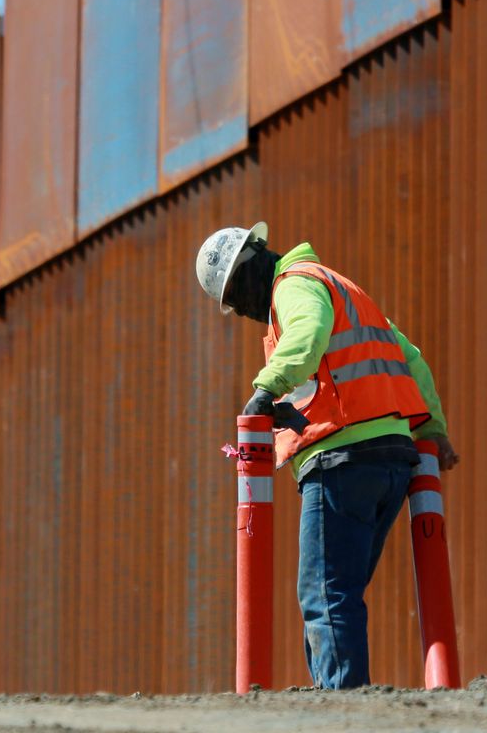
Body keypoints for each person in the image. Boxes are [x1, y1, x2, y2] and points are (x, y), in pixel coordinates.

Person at [195, 222, 458, 689]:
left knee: (325, 594)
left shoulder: (293, 286)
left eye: (235, 299)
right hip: (392, 457)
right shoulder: (341, 287)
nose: (240, 313)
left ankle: (341, 706)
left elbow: (308, 333)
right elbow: (410, 358)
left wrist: (264, 390)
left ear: (250, 268)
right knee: (340, 591)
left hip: (343, 458)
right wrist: (433, 430)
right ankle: (337, 694)